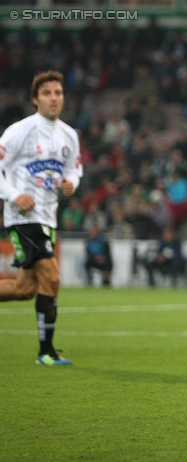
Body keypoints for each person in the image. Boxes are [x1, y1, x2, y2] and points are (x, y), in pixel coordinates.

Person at [0, 70, 83, 366]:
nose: (54, 98)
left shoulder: (69, 135)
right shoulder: (19, 131)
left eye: (58, 93)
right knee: (53, 277)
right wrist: (13, 195)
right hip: (24, 217)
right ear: (35, 99)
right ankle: (45, 352)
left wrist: (73, 181)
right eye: (47, 93)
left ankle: (46, 351)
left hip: (48, 217)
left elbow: (75, 168)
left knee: (25, 290)